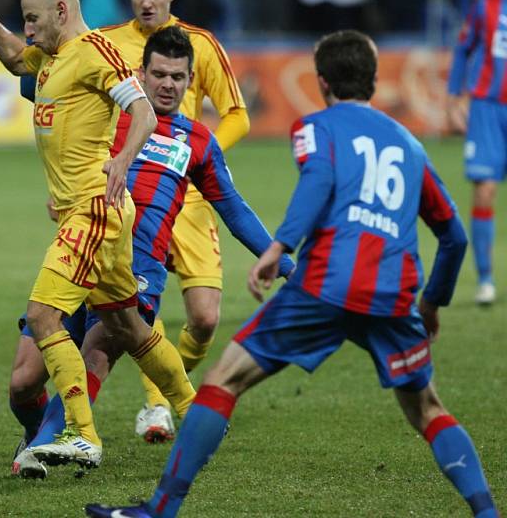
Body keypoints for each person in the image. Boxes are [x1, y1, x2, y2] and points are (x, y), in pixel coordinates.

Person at [85, 30, 500, 518]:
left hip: (326, 283)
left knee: (224, 379)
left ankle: (161, 508)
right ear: (373, 80)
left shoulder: (315, 127)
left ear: (321, 82)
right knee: (427, 407)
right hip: (393, 291)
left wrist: (282, 245)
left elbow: (320, 180)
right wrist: (431, 304)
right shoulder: (410, 146)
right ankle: (488, 512)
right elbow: (453, 236)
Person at [10, 26, 294, 478]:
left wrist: (285, 262)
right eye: (159, 74)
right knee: (23, 382)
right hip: (81, 244)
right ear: (140, 73)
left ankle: (52, 444)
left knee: (99, 349)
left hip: (137, 264)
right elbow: (36, 83)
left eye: (178, 77)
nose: (167, 85)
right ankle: (40, 432)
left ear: (189, 80)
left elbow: (234, 210)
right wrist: (33, 48)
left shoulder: (198, 142)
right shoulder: (113, 112)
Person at [0, 0, 196, 470]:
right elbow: (11, 58)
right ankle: (196, 414)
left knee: (44, 316)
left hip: (93, 209)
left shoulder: (94, 52)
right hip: (86, 212)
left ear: (63, 12)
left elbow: (143, 111)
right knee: (128, 326)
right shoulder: (49, 57)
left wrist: (123, 160)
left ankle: (82, 434)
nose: (26, 30)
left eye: (33, 20)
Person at [103, 0, 251, 441]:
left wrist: (195, 161)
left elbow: (237, 115)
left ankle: (159, 391)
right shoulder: (107, 44)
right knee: (122, 317)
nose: (146, 2)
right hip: (132, 195)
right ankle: (152, 404)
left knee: (206, 320)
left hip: (187, 196)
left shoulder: (201, 45)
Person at [446, 0, 507, 306]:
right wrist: (454, 97)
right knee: (485, 191)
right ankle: (485, 279)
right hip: (487, 109)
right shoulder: (486, 7)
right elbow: (462, 49)